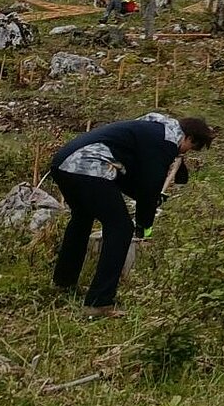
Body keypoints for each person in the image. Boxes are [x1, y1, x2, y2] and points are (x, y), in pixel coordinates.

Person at [50, 113, 215, 317]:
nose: (185, 153)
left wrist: (147, 197)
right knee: (121, 228)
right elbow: (149, 185)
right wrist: (144, 225)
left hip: (65, 163)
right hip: (89, 166)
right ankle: (99, 302)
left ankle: (64, 282)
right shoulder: (166, 141)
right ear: (189, 138)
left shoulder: (155, 128)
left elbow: (131, 176)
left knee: (82, 217)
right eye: (191, 148)